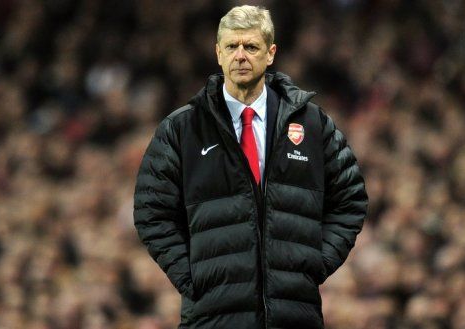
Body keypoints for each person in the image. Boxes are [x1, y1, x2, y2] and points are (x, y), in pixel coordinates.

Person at [133, 5, 368, 329]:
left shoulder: (313, 124)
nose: (240, 56)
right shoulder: (182, 128)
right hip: (212, 318)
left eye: (251, 46)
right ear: (218, 53)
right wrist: (194, 279)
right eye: (232, 46)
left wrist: (312, 265)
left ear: (270, 53)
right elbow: (151, 210)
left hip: (293, 316)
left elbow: (350, 198)